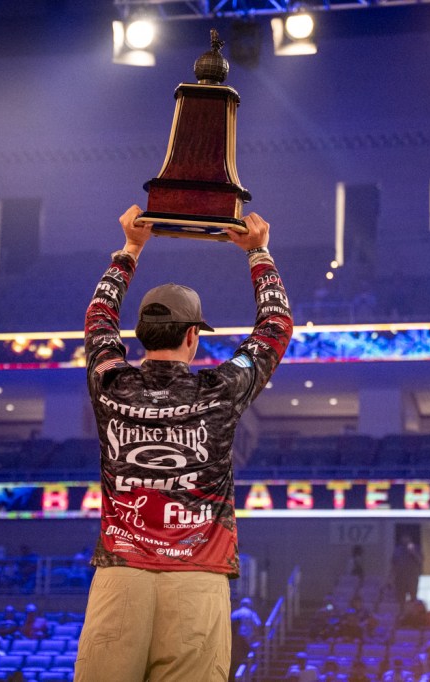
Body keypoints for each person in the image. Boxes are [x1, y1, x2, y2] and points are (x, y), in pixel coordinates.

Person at [74, 206, 293, 682]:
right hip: (198, 575)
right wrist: (258, 253)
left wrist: (130, 249)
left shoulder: (109, 381)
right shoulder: (220, 389)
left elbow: (98, 318)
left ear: (140, 334)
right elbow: (275, 327)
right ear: (193, 336)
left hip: (120, 574)